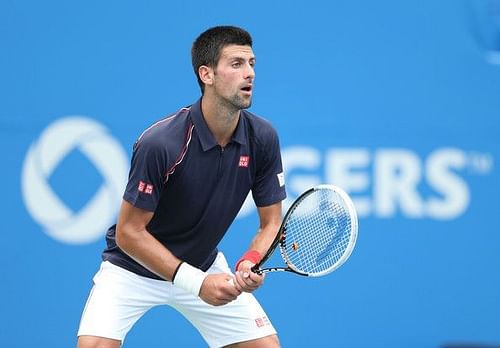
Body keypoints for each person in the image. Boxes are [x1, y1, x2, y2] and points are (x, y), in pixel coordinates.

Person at [77, 25, 286, 348]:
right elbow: (129, 233)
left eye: (252, 64)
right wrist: (195, 282)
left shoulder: (263, 138)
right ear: (207, 74)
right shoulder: (161, 143)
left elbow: (271, 221)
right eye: (236, 64)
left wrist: (250, 260)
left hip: (203, 262)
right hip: (133, 270)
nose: (249, 74)